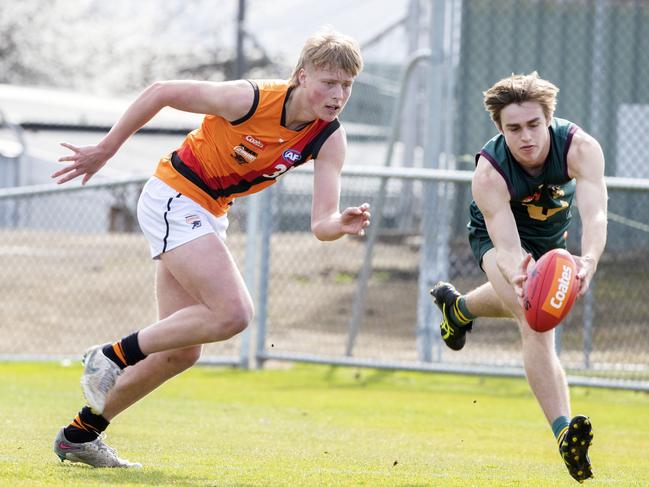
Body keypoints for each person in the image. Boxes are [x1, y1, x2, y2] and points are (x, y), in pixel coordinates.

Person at [51, 29, 370, 468]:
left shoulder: (329, 137)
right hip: (174, 195)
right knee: (233, 314)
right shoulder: (250, 99)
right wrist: (105, 150)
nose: (338, 94)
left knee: (182, 351)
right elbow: (161, 92)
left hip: (207, 212)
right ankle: (108, 356)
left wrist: (341, 224)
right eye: (329, 82)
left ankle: (79, 435)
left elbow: (321, 223)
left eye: (347, 85)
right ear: (301, 76)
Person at [430, 72, 606, 483]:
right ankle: (564, 433)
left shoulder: (580, 148)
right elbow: (507, 245)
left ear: (548, 119)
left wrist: (591, 260)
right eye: (513, 128)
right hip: (495, 242)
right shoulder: (489, 173)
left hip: (552, 241)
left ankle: (458, 310)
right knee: (535, 320)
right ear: (500, 128)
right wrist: (518, 273)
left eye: (533, 125)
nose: (525, 136)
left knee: (527, 306)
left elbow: (595, 210)